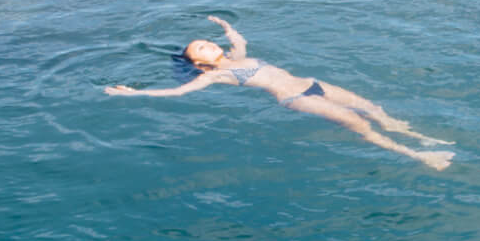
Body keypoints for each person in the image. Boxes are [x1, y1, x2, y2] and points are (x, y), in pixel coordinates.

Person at [106, 16, 454, 170]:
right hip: (297, 99)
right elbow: (177, 94)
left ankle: (419, 136)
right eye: (202, 47)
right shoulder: (214, 78)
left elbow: (239, 42)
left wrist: (226, 26)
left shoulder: (238, 57)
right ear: (200, 64)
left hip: (312, 83)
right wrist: (132, 94)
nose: (209, 45)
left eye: (207, 41)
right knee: (360, 126)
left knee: (373, 109)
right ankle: (419, 156)